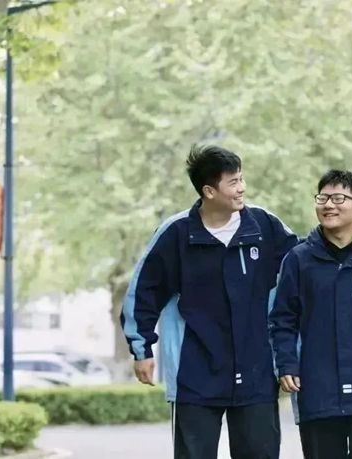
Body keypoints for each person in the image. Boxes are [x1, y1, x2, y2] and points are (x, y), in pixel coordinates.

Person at [120, 143, 298, 459]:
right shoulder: (176, 233)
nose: (242, 188)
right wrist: (141, 348)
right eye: (233, 182)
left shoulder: (264, 225)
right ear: (209, 191)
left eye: (241, 179)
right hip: (195, 372)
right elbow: (144, 290)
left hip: (256, 369)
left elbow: (304, 262)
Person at [269, 169, 352, 459]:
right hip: (317, 387)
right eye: (322, 198)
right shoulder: (299, 259)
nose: (328, 205)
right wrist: (287, 363)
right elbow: (282, 319)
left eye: (338, 198)